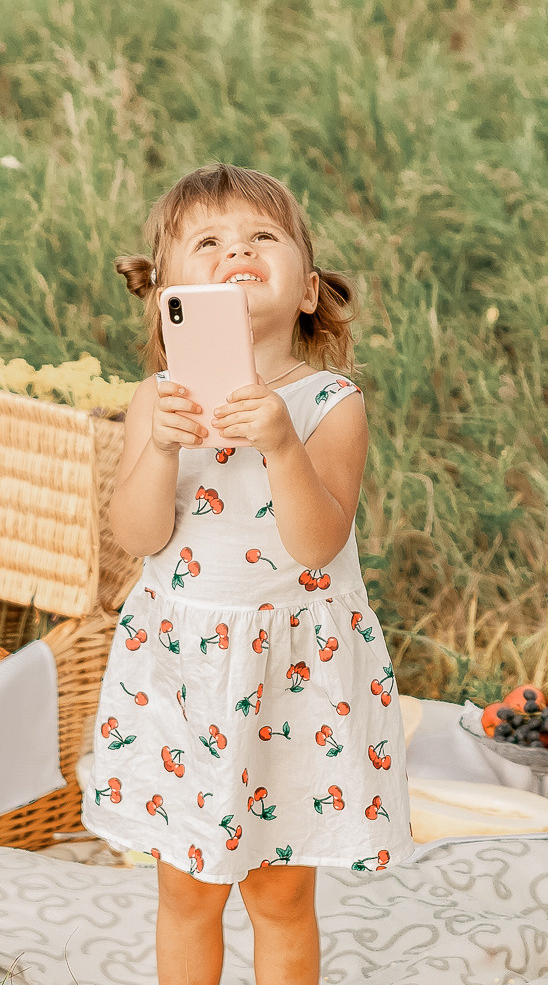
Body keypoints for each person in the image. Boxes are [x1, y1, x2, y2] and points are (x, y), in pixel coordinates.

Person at [82, 163, 414, 985]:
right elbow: (137, 534)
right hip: (182, 672)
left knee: (277, 895)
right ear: (167, 293)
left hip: (289, 677)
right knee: (187, 894)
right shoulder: (156, 400)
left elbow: (316, 543)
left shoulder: (329, 402)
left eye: (263, 236)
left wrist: (278, 445)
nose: (239, 249)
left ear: (306, 286)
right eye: (209, 241)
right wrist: (160, 446)